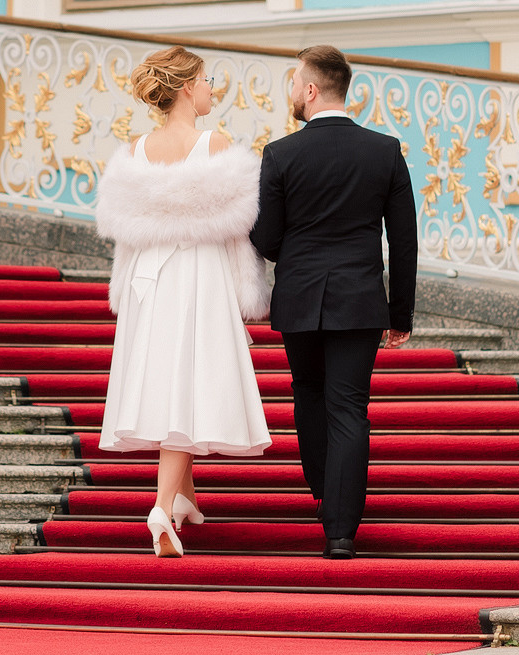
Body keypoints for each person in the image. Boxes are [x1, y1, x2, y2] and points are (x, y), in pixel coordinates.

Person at [94, 45, 271, 557]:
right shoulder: (216, 142)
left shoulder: (135, 148)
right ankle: (160, 505)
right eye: (208, 79)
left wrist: (123, 288)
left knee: (173, 381)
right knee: (189, 384)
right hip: (198, 274)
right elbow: (241, 231)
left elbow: (126, 236)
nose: (214, 87)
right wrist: (249, 290)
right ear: (189, 87)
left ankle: (184, 501)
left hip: (150, 278)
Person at [249, 44, 418, 560]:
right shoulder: (385, 150)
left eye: (294, 81)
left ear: (310, 89)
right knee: (349, 407)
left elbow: (266, 239)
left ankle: (326, 495)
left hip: (300, 298)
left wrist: (290, 253)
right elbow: (404, 239)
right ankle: (341, 528)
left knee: (308, 397)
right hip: (360, 300)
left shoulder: (280, 154)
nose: (291, 92)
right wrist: (400, 313)